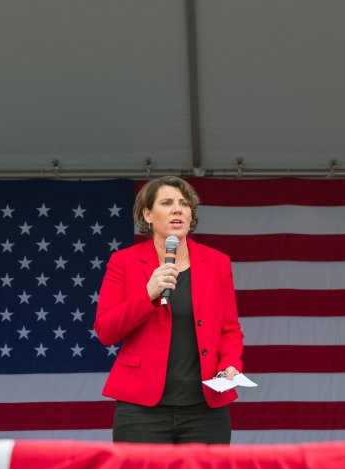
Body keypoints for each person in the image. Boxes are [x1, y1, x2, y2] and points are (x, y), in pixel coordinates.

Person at [94, 176, 244, 444]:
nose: (178, 209)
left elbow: (229, 329)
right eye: (167, 203)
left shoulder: (217, 263)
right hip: (141, 409)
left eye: (184, 204)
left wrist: (230, 365)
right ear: (147, 215)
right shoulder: (124, 262)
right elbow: (106, 330)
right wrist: (148, 293)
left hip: (205, 410)